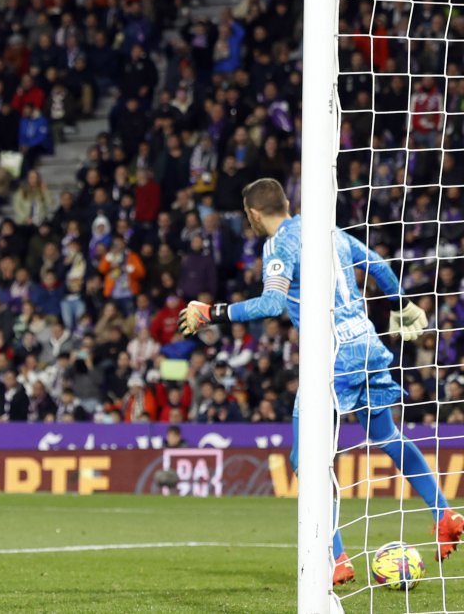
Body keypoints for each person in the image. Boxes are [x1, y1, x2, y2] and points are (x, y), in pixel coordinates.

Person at [179, 178, 461, 587]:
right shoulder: (327, 229)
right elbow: (378, 265)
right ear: (286, 202)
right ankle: (444, 514)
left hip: (329, 358)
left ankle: (337, 557)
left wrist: (212, 312)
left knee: (306, 460)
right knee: (386, 435)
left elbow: (272, 303)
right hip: (365, 343)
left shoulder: (278, 244)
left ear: (254, 214)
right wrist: (401, 304)